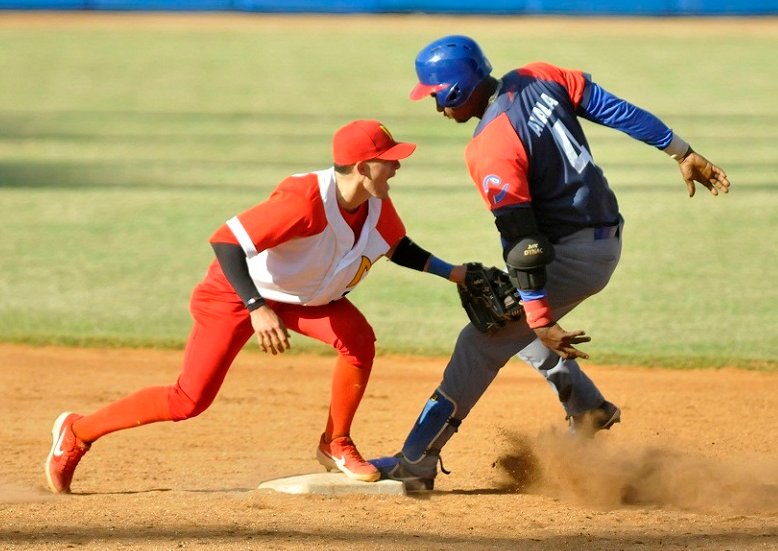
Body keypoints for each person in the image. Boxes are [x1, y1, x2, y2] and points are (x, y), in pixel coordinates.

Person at [371, 35, 730, 491]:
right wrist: (681, 150)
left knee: (479, 342)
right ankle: (587, 408)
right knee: (506, 313)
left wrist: (539, 316)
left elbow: (523, 243)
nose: (436, 105)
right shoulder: (538, 75)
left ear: (457, 89)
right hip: (601, 233)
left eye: (436, 94)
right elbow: (617, 110)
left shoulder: (489, 147)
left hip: (574, 254)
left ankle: (417, 460)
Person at [45, 119, 467, 494]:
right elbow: (226, 239)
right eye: (388, 161)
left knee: (358, 340)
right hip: (236, 294)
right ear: (361, 167)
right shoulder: (305, 200)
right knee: (187, 401)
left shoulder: (374, 202)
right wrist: (255, 305)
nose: (397, 167)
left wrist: (456, 273)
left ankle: (335, 442)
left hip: (303, 298)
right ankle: (78, 432)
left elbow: (400, 247)